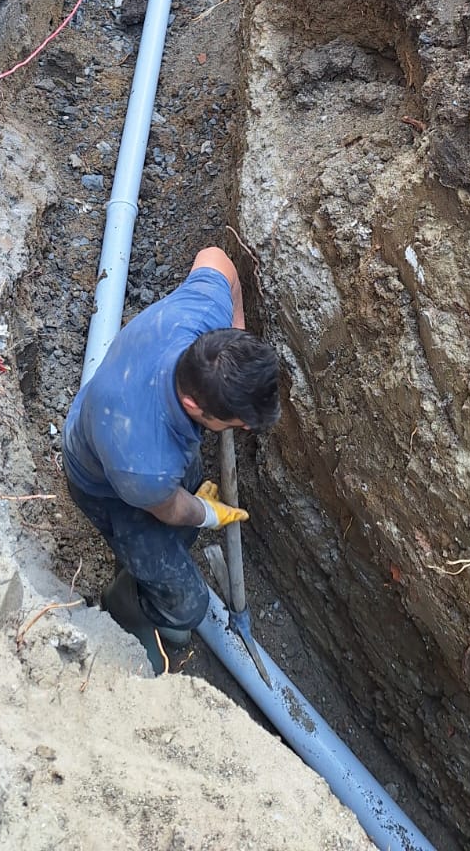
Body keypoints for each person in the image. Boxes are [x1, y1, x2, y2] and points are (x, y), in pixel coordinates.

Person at [62, 246, 281, 668]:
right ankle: (125, 605)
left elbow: (217, 258)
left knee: (190, 486)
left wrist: (240, 335)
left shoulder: (204, 320)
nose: (248, 430)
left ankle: (147, 578)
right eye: (239, 422)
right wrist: (208, 514)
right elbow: (171, 509)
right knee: (188, 608)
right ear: (194, 406)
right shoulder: (143, 467)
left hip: (125, 413)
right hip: (103, 483)